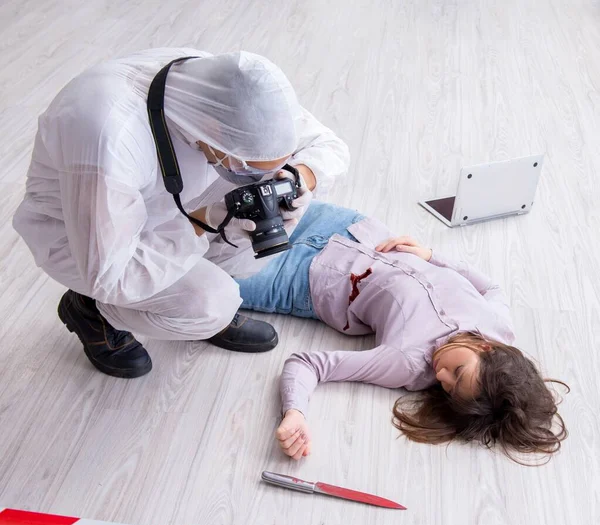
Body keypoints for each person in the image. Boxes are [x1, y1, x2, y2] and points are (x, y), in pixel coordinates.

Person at [12, 48, 349, 378]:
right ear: (212, 129)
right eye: (247, 167)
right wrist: (204, 220)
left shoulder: (233, 93)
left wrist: (295, 177)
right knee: (210, 303)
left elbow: (329, 146)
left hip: (170, 206)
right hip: (88, 241)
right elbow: (112, 275)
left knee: (257, 220)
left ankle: (188, 289)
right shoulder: (106, 135)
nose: (253, 175)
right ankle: (91, 309)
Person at [233, 201, 568, 463]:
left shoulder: (406, 364)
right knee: (220, 199)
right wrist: (432, 256)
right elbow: (492, 287)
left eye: (448, 388)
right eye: (458, 371)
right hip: (350, 229)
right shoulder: (498, 327)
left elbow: (308, 363)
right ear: (487, 349)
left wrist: (294, 412)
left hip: (298, 278)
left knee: (194, 272)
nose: (441, 374)